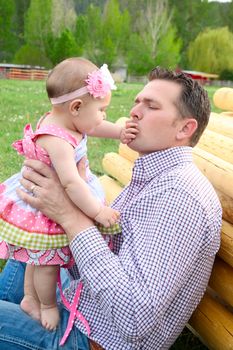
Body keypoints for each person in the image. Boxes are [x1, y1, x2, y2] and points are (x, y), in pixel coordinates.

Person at [0, 67, 222, 350]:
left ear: (185, 128)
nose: (135, 112)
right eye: (137, 102)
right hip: (82, 305)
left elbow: (134, 318)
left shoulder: (179, 197)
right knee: (34, 239)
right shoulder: (156, 176)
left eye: (151, 106)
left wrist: (69, 216)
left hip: (89, 338)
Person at [0, 57, 137, 333]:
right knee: (48, 262)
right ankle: (46, 304)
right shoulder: (59, 142)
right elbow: (72, 185)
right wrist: (98, 212)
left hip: (48, 197)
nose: (103, 117)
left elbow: (95, 127)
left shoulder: (68, 121)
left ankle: (28, 297)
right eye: (102, 109)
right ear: (76, 107)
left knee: (35, 255)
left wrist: (120, 132)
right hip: (49, 205)